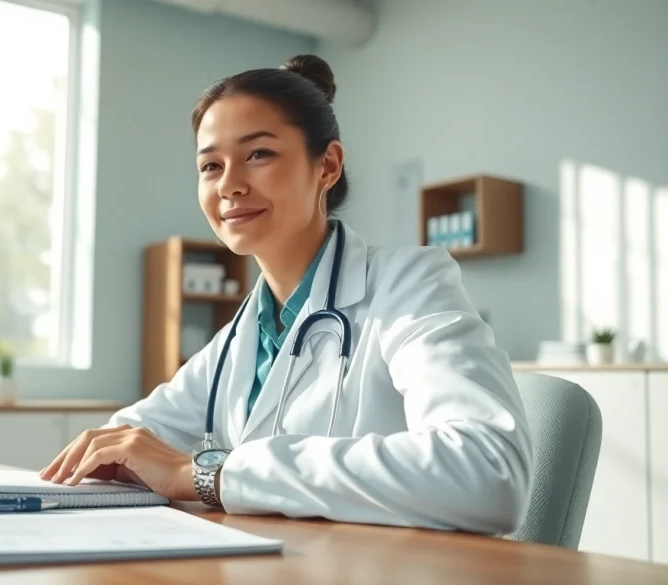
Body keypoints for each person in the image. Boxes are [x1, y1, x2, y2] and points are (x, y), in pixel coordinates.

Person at [39, 54, 534, 535]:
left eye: (258, 154)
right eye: (210, 166)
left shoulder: (408, 284)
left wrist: (209, 475)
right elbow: (129, 445)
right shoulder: (239, 338)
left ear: (328, 166)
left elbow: (488, 471)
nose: (229, 185)